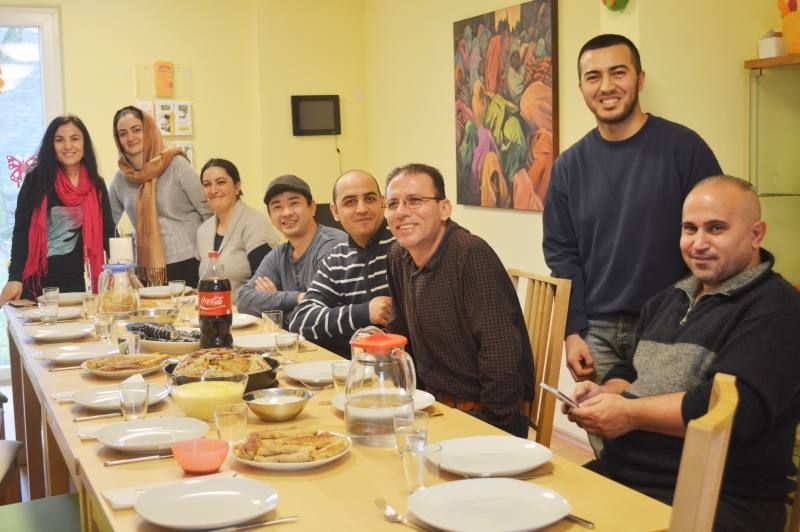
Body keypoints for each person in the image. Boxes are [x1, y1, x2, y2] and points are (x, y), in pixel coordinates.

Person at [566, 176, 800, 532]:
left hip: (721, 499)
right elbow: (629, 370)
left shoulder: (776, 308)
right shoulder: (668, 299)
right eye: (690, 229)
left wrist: (629, 414)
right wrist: (605, 393)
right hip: (624, 475)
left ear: (756, 235)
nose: (698, 243)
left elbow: (731, 411)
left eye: (716, 228)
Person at [542, 34, 723, 388]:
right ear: (581, 88)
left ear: (640, 79)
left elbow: (717, 232)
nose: (606, 86)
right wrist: (572, 331)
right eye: (593, 77)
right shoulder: (568, 167)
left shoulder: (685, 149)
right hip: (597, 330)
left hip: (672, 323)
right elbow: (562, 255)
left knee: (662, 421)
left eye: (618, 72)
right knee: (600, 418)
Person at [385, 163, 534, 438]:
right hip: (429, 407)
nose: (401, 211)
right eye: (393, 204)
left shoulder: (471, 255)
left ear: (444, 208)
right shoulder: (397, 255)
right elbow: (399, 335)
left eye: (414, 200)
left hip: (482, 414)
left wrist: (494, 429)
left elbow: (501, 354)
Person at [0, 115, 114, 303]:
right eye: (59, 140)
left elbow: (108, 232)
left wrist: (125, 271)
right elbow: (21, 230)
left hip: (79, 286)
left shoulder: (96, 184)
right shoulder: (35, 180)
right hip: (37, 287)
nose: (68, 146)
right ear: (51, 146)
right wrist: (14, 277)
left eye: (75, 138)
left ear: (84, 144)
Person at [288, 170, 394, 357]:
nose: (361, 209)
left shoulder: (403, 245)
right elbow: (301, 321)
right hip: (354, 367)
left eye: (369, 199)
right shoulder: (336, 258)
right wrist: (364, 313)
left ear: (382, 202)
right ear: (335, 211)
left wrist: (336, 325)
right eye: (350, 202)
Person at [109, 105, 212, 287]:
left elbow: (208, 212)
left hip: (189, 261)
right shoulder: (120, 178)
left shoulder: (176, 164)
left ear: (148, 130)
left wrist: (211, 256)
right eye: (122, 134)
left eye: (136, 130)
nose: (130, 137)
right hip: (146, 267)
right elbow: (106, 223)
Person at [237, 174, 346, 322]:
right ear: (270, 217)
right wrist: (297, 298)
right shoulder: (278, 254)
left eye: (294, 203)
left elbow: (319, 313)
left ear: (312, 208)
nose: (286, 212)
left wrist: (274, 305)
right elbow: (244, 301)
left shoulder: (332, 245)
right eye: (277, 207)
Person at [196, 158, 280, 303]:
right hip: (211, 310)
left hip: (247, 312)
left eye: (221, 182)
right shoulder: (203, 230)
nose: (213, 190)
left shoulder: (255, 223)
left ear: (237, 187)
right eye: (207, 184)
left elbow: (265, 284)